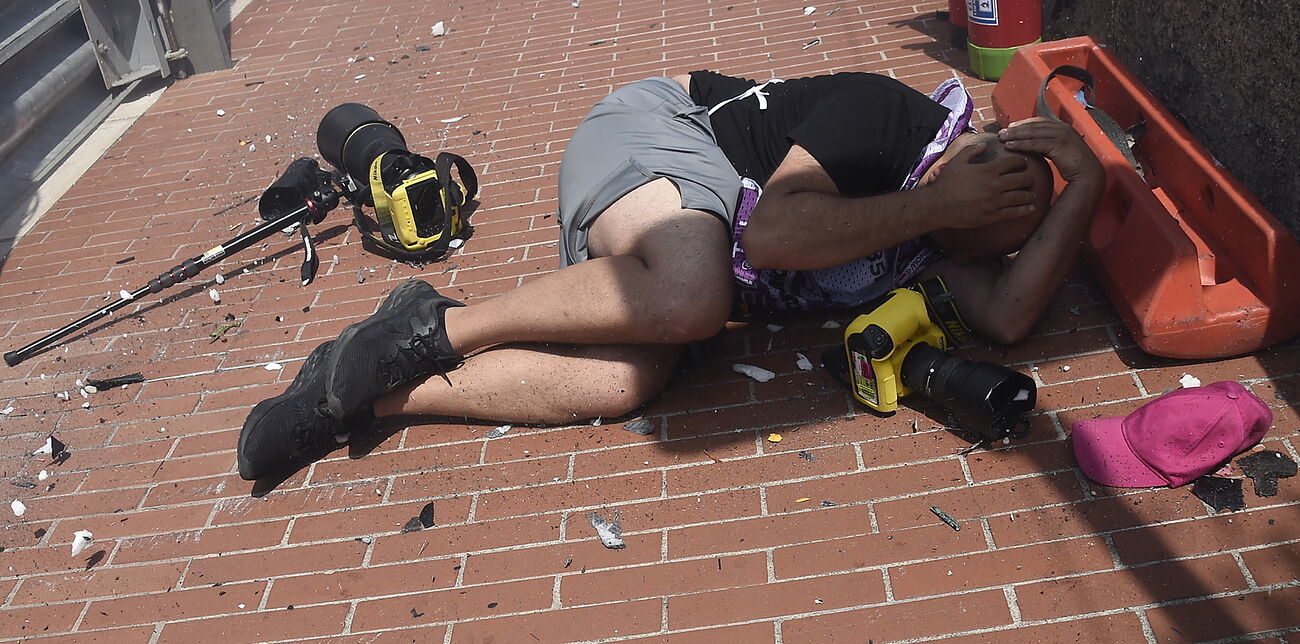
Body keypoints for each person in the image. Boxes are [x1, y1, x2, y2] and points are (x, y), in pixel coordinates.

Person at [236, 69, 1102, 481]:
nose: (987, 243)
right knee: (693, 293)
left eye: (1012, 233)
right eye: (991, 203)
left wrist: (1088, 185)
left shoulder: (949, 236)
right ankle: (434, 324)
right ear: (970, 156)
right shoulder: (890, 117)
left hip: (687, 260)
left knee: (624, 382)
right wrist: (941, 212)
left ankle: (354, 397)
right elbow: (774, 236)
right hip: (656, 135)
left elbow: (1012, 317)